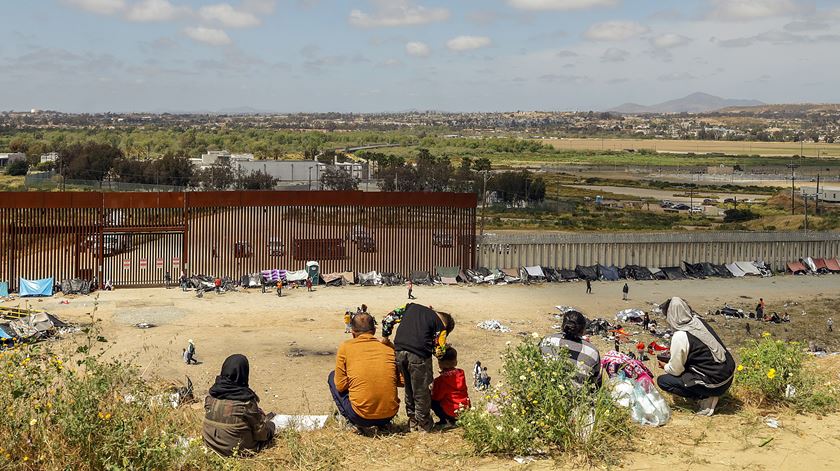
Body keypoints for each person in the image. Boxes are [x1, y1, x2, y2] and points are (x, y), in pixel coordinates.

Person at [382, 303, 455, 432]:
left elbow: (388, 318)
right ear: (446, 325)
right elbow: (439, 351)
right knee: (421, 391)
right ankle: (423, 424)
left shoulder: (411, 307)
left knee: (409, 388)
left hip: (399, 352)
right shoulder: (440, 325)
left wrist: (385, 336)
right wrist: (444, 348)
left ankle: (412, 421)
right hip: (418, 356)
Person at [656, 297, 735, 416]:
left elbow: (676, 371)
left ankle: (704, 397)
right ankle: (706, 393)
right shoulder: (698, 321)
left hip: (715, 383)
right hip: (727, 375)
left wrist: (665, 366)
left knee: (663, 381)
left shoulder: (680, 335)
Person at [328, 313, 400, 435]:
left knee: (332, 376)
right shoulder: (387, 348)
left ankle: (351, 421)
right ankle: (383, 425)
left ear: (352, 332)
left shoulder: (346, 347)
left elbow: (340, 386)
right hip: (389, 414)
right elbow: (401, 381)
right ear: (374, 330)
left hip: (360, 416)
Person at [203, 354, 275, 457]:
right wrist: (269, 426)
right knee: (271, 425)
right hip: (237, 451)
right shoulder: (246, 403)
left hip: (211, 446)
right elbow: (261, 435)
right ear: (244, 373)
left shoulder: (211, 396)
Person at [540, 310, 603, 389]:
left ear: (563, 326)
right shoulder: (592, 351)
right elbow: (594, 379)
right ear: (583, 330)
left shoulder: (547, 340)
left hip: (544, 390)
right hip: (574, 397)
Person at [431, 347, 471, 428]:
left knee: (432, 401)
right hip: (464, 408)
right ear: (455, 362)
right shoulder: (461, 374)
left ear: (439, 363)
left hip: (451, 411)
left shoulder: (441, 380)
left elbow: (437, 397)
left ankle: (446, 421)